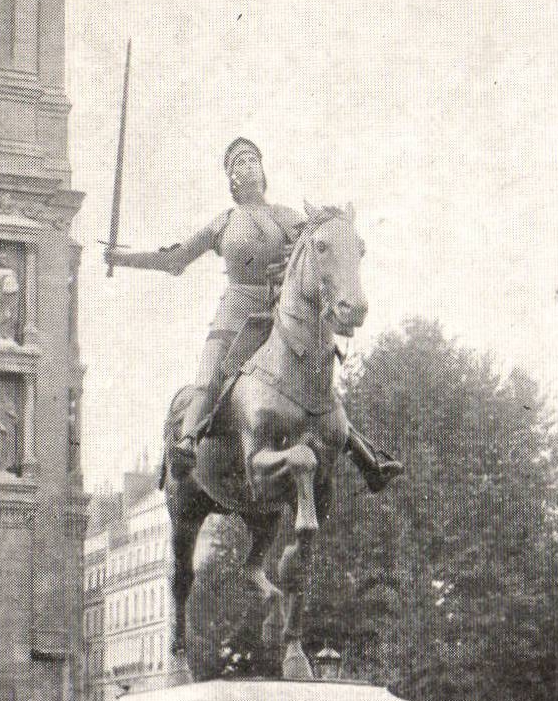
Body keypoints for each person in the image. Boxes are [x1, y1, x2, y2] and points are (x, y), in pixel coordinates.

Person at [105, 138, 401, 492]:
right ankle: (186, 444)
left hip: (280, 314)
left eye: (252, 160)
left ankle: (369, 460)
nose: (246, 166)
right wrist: (122, 258)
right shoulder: (225, 222)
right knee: (210, 377)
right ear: (231, 178)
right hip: (235, 315)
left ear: (262, 170)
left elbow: (322, 246)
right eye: (238, 163)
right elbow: (175, 260)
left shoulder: (289, 217)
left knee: (318, 386)